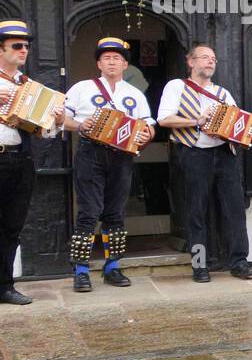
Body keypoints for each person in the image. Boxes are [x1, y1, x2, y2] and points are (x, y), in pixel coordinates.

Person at [157, 43, 252, 282]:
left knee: (234, 209)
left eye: (213, 58)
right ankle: (199, 265)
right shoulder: (176, 87)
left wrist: (251, 131)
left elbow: (239, 125)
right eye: (204, 57)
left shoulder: (223, 93)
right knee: (196, 212)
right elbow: (163, 119)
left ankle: (239, 262)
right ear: (191, 62)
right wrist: (197, 120)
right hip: (194, 153)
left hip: (224, 155)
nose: (210, 61)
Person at [62, 37, 156, 292]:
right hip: (90, 152)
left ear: (126, 65)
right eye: (106, 58)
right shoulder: (82, 88)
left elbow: (148, 126)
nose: (112, 61)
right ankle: (80, 270)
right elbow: (61, 119)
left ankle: (112, 266)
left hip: (121, 155)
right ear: (98, 64)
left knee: (115, 212)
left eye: (117, 58)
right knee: (88, 212)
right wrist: (81, 125)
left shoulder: (134, 94)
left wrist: (147, 133)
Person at [0, 21, 63, 304]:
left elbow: (43, 130)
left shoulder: (27, 85)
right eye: (16, 45)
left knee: (12, 226)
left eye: (26, 46)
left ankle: (4, 286)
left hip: (20, 159)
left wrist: (56, 120)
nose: (23, 50)